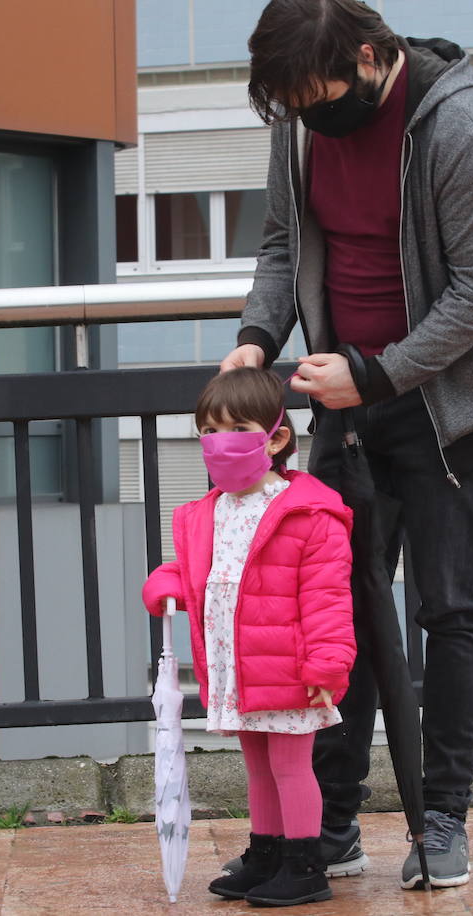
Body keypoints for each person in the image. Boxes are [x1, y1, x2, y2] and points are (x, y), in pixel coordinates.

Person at [218, 0, 473, 892]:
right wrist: (257, 337)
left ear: (369, 54)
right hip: (343, 402)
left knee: (449, 611)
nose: (314, 120)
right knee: (335, 614)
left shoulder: (461, 127)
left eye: (322, 101)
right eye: (297, 109)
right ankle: (332, 825)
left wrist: (381, 374)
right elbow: (283, 243)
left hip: (448, 409)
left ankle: (441, 822)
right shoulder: (302, 122)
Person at [142, 367, 357, 907]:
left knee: (290, 766)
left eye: (234, 427)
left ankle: (305, 864)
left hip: (288, 668)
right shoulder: (207, 513)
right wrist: (166, 583)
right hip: (236, 668)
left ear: (276, 436)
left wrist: (328, 667)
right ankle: (266, 853)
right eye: (209, 431)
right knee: (259, 768)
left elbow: (328, 598)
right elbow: (202, 573)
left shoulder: (310, 515)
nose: (219, 442)